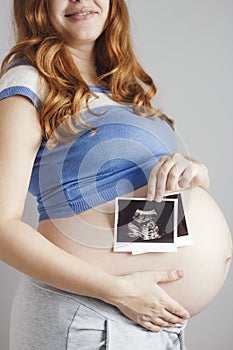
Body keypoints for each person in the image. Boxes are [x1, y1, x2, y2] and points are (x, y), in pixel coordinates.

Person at [0, 1, 231, 349]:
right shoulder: (28, 81)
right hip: (93, 314)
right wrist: (120, 290)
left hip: (149, 319)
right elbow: (1, 226)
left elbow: (132, 214)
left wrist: (195, 172)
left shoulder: (121, 87)